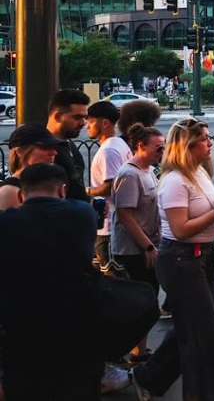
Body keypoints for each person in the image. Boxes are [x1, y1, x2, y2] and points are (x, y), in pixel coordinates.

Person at [131, 118, 214, 401]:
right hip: (182, 260)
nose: (210, 143)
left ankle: (148, 377)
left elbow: (204, 215)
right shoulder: (175, 181)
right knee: (202, 336)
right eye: (204, 138)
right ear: (187, 145)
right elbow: (180, 229)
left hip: (200, 257)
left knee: (195, 329)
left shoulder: (198, 172)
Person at [0, 164, 103, 401]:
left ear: (20, 195)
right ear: (62, 190)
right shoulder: (82, 213)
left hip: (22, 328)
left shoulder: (6, 223)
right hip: (78, 325)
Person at [111, 124, 164, 365]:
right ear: (140, 146)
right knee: (140, 304)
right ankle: (120, 351)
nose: (162, 152)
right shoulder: (129, 174)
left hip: (147, 243)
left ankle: (138, 351)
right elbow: (125, 215)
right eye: (158, 148)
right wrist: (147, 246)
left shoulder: (149, 170)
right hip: (133, 249)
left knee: (147, 302)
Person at [87, 101, 132, 276]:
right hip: (114, 224)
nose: (87, 126)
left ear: (104, 123)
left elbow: (110, 186)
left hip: (108, 226)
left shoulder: (108, 151)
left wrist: (86, 191)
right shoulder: (120, 144)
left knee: (111, 277)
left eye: (91, 121)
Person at [0, 124, 60, 210]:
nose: (54, 152)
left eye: (54, 147)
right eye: (45, 147)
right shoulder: (9, 192)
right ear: (20, 151)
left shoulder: (48, 182)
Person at [46, 89, 91, 202]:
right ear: (58, 117)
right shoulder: (43, 151)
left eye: (85, 117)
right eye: (77, 117)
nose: (83, 123)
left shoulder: (69, 143)